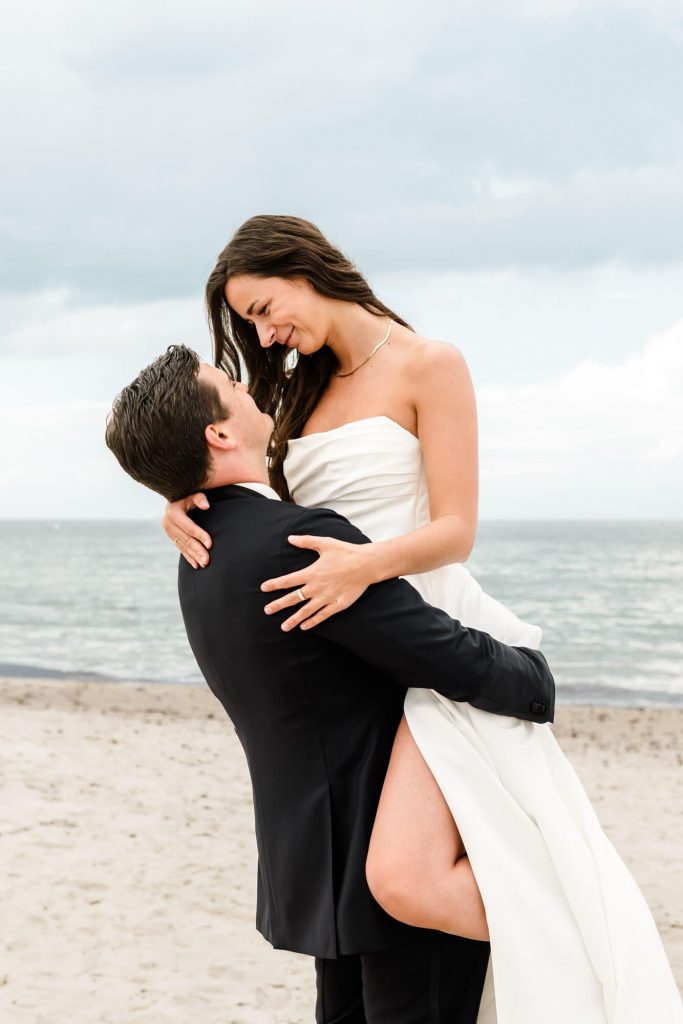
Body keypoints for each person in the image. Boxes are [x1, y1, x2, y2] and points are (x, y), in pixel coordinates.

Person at [162, 215, 682, 1022]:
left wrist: (364, 564)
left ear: (303, 269)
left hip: (422, 626)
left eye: (264, 310)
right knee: (383, 916)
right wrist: (182, 501)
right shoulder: (291, 390)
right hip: (357, 648)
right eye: (250, 325)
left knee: (412, 880)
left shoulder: (429, 364)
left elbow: (455, 530)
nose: (263, 336)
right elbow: (258, 490)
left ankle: (577, 937)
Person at [105, 343, 557, 1024]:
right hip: (392, 853)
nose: (247, 386)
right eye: (230, 383)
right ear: (219, 434)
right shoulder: (297, 540)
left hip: (316, 862)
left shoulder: (200, 553)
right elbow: (437, 652)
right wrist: (534, 676)